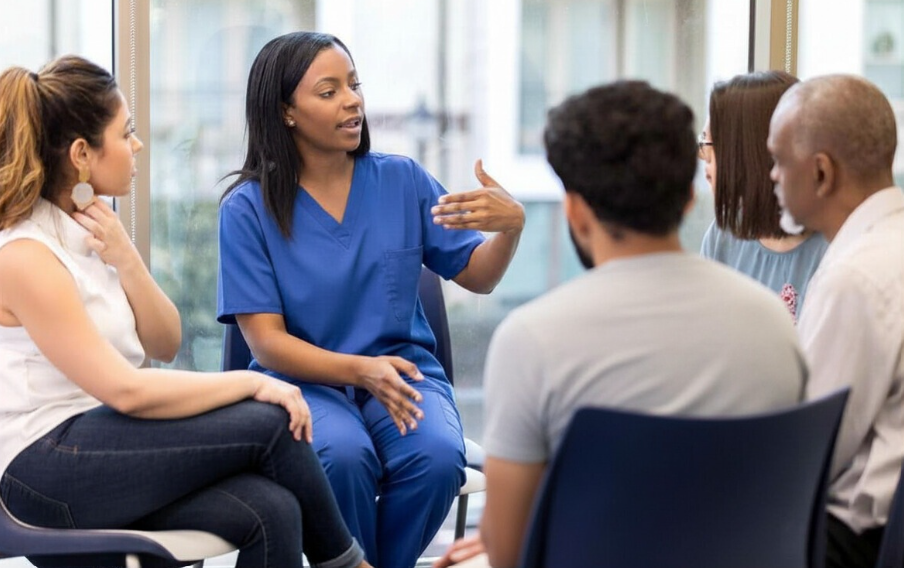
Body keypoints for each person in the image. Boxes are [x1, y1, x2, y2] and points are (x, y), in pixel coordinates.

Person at [0, 55, 370, 568]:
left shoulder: (89, 232)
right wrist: (253, 382)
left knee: (273, 509)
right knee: (271, 421)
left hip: (101, 442)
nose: (137, 146)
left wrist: (126, 257)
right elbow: (125, 389)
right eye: (125, 133)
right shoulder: (26, 256)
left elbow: (165, 342)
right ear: (83, 153)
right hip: (44, 468)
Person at [435, 80, 807, 568]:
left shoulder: (532, 339)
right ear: (689, 201)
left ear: (575, 211)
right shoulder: (772, 322)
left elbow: (507, 550)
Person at [216, 31, 524, 568]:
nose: (353, 100)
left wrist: (511, 229)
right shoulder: (247, 209)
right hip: (301, 384)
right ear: (286, 111)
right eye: (329, 91)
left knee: (435, 458)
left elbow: (479, 277)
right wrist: (360, 371)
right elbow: (265, 344)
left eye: (354, 85)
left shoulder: (402, 180)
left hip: (403, 376)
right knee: (340, 456)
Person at [768, 74, 904, 568]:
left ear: (822, 173)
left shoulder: (856, 277)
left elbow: (805, 458)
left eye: (779, 160)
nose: (773, 177)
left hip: (850, 542)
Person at [699, 70, 828, 321]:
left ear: (748, 157)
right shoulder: (722, 236)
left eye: (708, 148)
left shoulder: (834, 248)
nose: (706, 169)